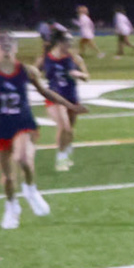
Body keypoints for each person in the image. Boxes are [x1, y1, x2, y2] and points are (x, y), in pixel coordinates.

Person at [0, 32, 83, 230]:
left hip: (23, 123)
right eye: (2, 42)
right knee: (8, 177)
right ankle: (12, 206)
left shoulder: (26, 70)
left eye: (10, 42)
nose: (6, 45)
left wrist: (71, 105)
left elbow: (46, 92)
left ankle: (31, 189)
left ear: (16, 47)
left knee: (23, 159)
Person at [39, 28, 91, 171]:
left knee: (70, 130)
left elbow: (87, 76)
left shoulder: (74, 57)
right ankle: (61, 158)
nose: (70, 43)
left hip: (72, 97)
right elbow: (34, 73)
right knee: (64, 127)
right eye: (68, 41)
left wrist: (79, 74)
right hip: (55, 98)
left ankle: (67, 151)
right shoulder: (46, 58)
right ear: (59, 42)